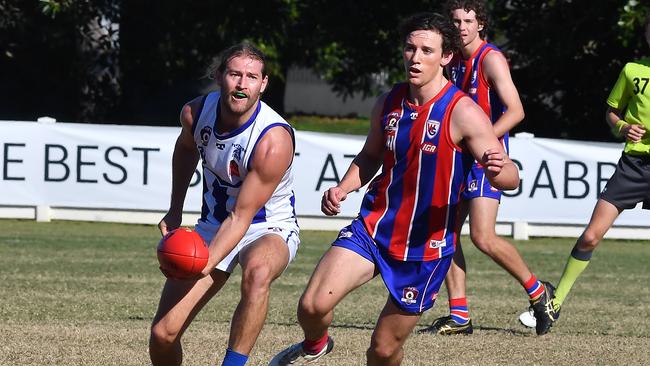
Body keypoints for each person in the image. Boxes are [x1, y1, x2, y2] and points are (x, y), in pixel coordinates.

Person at [269, 12, 519, 366]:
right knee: (312, 306)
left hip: (424, 250)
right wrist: (343, 187)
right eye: (410, 48)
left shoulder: (463, 111)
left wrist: (501, 171)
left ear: (447, 57)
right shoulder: (388, 103)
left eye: (427, 51)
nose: (415, 58)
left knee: (383, 350)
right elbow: (370, 155)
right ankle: (316, 345)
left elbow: (510, 176)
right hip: (374, 227)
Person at [149, 42, 300, 366]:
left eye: (251, 76)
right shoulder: (195, 112)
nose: (242, 83)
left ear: (263, 84)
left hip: (267, 226)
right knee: (163, 335)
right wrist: (175, 209)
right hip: (215, 223)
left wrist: (202, 264)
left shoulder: (272, 140)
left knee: (257, 273)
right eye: (234, 74)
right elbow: (186, 149)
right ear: (220, 77)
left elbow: (241, 216)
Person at [426, 0, 556, 336]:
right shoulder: (449, 58)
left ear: (481, 24)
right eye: (454, 21)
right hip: (458, 158)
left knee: (483, 237)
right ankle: (459, 315)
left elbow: (516, 111)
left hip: (488, 159)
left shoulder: (491, 59)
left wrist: (483, 141)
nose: (461, 27)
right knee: (446, 235)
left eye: (468, 20)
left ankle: (540, 294)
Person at [548, 14, 650, 323]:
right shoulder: (633, 71)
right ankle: (554, 303)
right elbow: (611, 113)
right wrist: (622, 128)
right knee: (591, 236)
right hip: (633, 165)